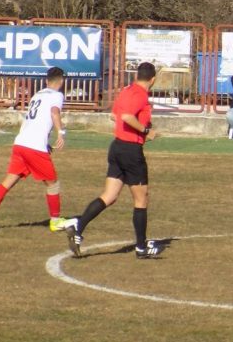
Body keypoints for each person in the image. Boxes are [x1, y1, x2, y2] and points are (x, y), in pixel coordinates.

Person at [65, 62, 161, 259]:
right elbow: (125, 116)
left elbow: (113, 116)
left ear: (137, 76)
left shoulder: (126, 91)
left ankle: (78, 228)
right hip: (131, 151)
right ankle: (141, 248)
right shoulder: (141, 95)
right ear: (153, 79)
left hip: (117, 147)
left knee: (109, 196)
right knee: (141, 198)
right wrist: (145, 130)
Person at [0, 67, 70, 232]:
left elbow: (34, 120)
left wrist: (45, 142)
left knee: (9, 180)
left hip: (21, 143)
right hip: (34, 147)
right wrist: (61, 133)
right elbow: (54, 112)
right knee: (52, 184)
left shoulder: (38, 94)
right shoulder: (57, 95)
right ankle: (55, 221)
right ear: (61, 80)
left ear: (46, 80)